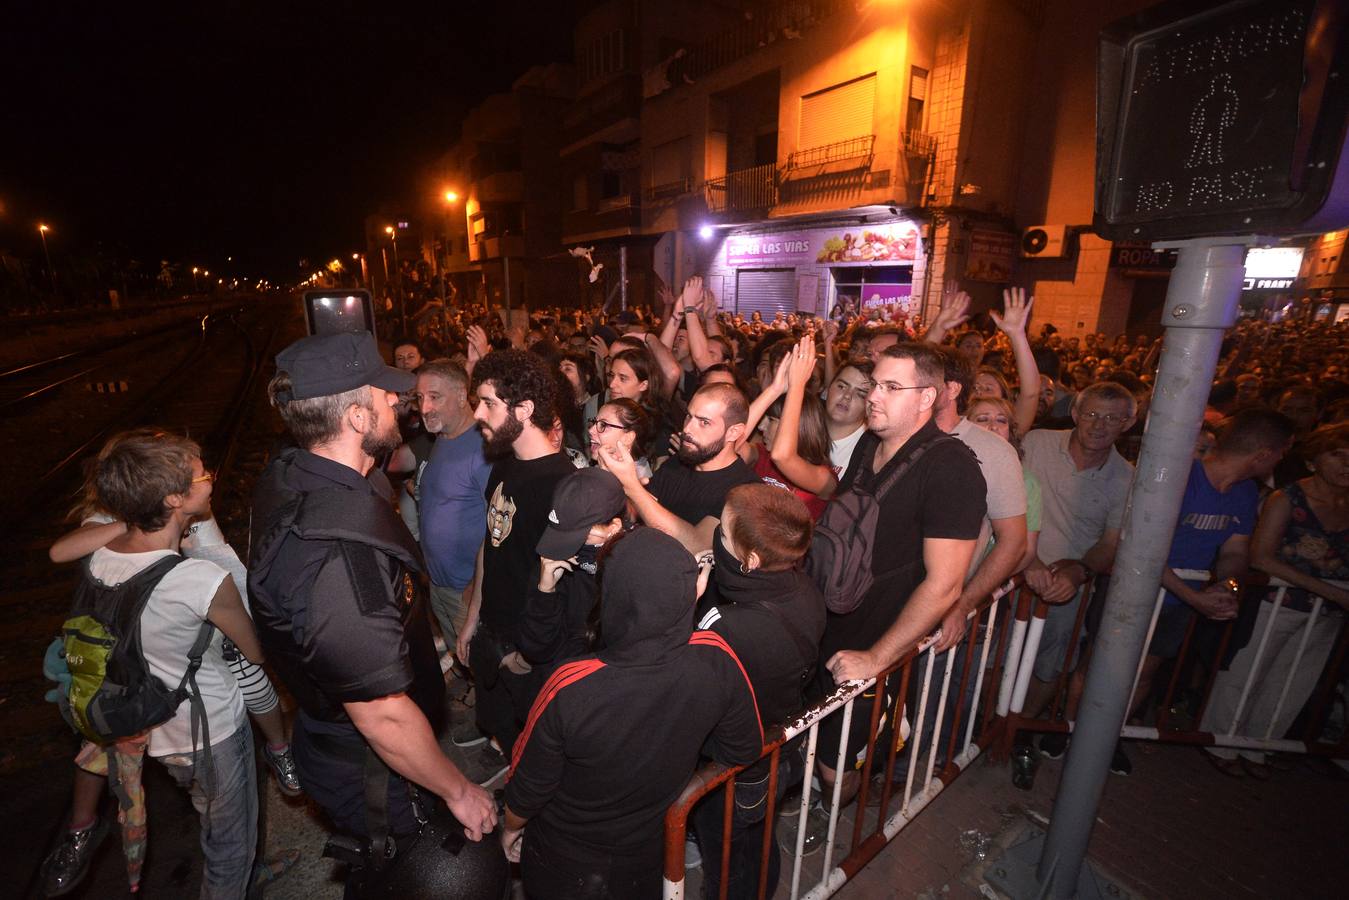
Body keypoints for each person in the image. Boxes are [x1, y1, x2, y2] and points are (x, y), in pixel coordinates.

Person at [248, 331, 496, 894]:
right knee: (409, 871)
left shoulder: (293, 474)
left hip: (339, 739)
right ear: (358, 418)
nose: (398, 403)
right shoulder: (339, 559)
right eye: (385, 396)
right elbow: (381, 715)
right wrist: (459, 790)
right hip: (371, 767)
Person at [501, 527, 765, 899]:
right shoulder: (717, 658)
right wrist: (680, 795)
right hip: (646, 856)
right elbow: (742, 748)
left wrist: (509, 830)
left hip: (563, 860)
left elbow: (527, 789)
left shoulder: (571, 685)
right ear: (694, 592)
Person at [63, 429, 266, 899]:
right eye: (201, 474)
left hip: (153, 733)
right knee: (229, 849)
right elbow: (254, 650)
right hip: (211, 729)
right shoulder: (199, 579)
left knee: (209, 818)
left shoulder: (98, 557)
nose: (209, 477)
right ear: (176, 498)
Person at [813, 343, 985, 829]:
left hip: (877, 639)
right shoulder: (870, 443)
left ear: (927, 397)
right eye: (876, 384)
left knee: (836, 762)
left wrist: (877, 657)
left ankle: (828, 811)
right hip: (829, 621)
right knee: (812, 740)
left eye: (892, 387)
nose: (874, 396)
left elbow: (946, 584)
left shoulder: (952, 469)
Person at [692, 485, 825, 899]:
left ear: (750, 560)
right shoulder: (804, 590)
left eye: (725, 533)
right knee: (759, 841)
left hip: (738, 771)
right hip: (779, 753)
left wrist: (688, 603)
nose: (717, 535)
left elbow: (691, 686)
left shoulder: (729, 626)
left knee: (725, 863)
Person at [1201, 421, 1349, 776]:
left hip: (1327, 614)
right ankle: (1219, 740)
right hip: (1277, 603)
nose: (1346, 466)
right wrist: (1328, 590)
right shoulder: (1288, 498)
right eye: (1338, 455)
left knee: (1295, 680)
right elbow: (1261, 556)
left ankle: (1260, 747)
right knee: (1248, 672)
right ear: (1315, 460)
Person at [460, 348, 577, 763]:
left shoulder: (563, 489)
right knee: (503, 733)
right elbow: (491, 543)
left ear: (524, 409)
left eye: (489, 403)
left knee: (536, 751)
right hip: (492, 635)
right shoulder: (505, 464)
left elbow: (564, 593)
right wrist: (473, 619)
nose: (478, 414)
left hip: (527, 651)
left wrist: (524, 654)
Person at [1018, 381, 1136, 770]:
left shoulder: (1127, 478)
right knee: (991, 658)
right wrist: (1023, 558)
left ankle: (1016, 728)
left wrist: (1080, 571)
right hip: (1009, 574)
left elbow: (1111, 541)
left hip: (1066, 586)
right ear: (1074, 414)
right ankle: (982, 725)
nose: (1100, 425)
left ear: (1128, 423)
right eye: (1091, 414)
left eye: (1113, 418)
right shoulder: (1036, 443)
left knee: (1050, 663)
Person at [411, 359, 493, 747]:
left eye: (435, 397)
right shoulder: (439, 440)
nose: (424, 407)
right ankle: (475, 693)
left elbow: (498, 525)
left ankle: (492, 730)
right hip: (440, 581)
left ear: (463, 395)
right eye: (420, 397)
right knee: (462, 654)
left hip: (465, 586)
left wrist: (476, 587)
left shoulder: (482, 447)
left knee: (479, 658)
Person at [601, 382, 759, 541]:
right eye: (689, 416)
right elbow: (635, 513)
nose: (688, 429)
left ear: (733, 432)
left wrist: (632, 487)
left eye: (704, 422)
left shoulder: (746, 491)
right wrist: (613, 481)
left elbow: (698, 545)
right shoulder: (678, 463)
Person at [517, 467, 629, 673]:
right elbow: (536, 650)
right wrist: (545, 592)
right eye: (563, 533)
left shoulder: (639, 562)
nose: (568, 545)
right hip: (569, 679)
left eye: (579, 535)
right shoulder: (555, 558)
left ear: (614, 526)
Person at [740, 335, 837, 518]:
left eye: (772, 420)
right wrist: (774, 389)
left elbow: (782, 456)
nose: (761, 426)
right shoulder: (761, 455)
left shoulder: (825, 478)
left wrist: (797, 385)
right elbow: (730, 441)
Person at [585, 397, 654, 479]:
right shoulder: (599, 470)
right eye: (594, 422)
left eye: (603, 425)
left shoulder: (638, 484)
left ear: (628, 438)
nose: (591, 430)